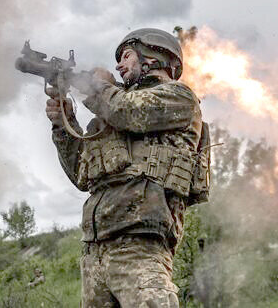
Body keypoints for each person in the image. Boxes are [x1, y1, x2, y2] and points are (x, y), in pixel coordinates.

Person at [46, 28, 209, 307]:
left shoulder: (177, 97)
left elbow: (127, 111)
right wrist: (64, 123)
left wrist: (97, 86)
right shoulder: (109, 116)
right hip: (94, 250)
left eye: (127, 56)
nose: (119, 65)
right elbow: (81, 175)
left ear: (153, 57)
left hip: (140, 245)